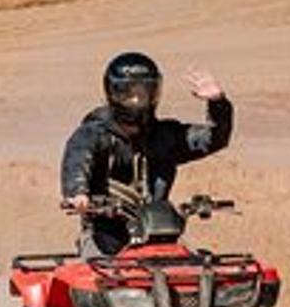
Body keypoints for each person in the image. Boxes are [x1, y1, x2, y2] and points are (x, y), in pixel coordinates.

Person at [61, 52, 232, 256]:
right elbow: (79, 156)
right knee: (96, 277)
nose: (136, 101)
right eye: (128, 94)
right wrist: (78, 192)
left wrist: (218, 103)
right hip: (106, 236)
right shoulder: (94, 133)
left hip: (158, 231)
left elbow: (213, 139)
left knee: (196, 269)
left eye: (142, 94)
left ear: (154, 94)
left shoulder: (165, 135)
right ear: (113, 93)